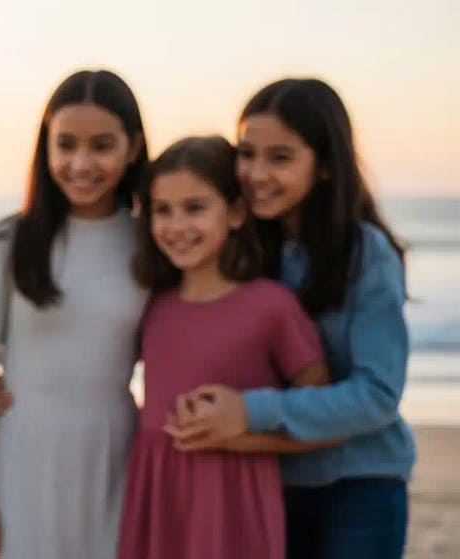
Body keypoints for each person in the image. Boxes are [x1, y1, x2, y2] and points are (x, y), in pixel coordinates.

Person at [164, 79, 414, 559]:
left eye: (280, 158)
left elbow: (378, 395)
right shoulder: (240, 251)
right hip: (266, 480)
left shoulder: (366, 253)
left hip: (360, 486)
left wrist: (251, 411)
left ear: (323, 165)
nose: (256, 173)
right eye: (247, 153)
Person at [0, 69, 150, 559]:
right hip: (25, 453)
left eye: (101, 145)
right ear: (46, 147)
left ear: (134, 147)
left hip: (117, 452)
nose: (80, 163)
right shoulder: (7, 244)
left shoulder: (154, 245)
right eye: (66, 145)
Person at [117, 136, 337, 559]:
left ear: (236, 212)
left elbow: (321, 414)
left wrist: (244, 439)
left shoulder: (271, 305)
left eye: (195, 208)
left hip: (235, 499)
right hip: (158, 499)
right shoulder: (152, 304)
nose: (177, 226)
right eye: (163, 210)